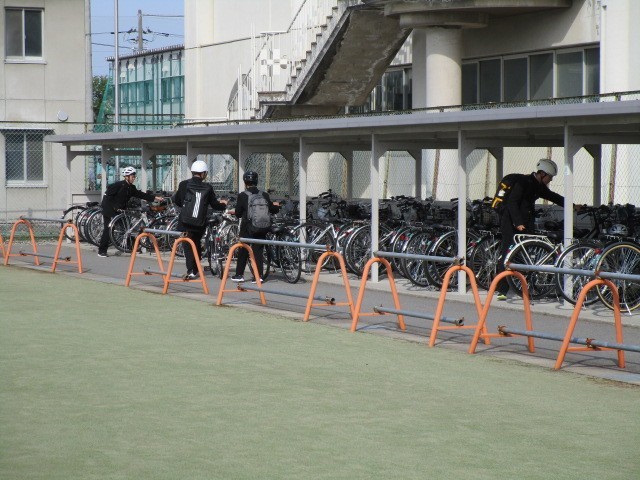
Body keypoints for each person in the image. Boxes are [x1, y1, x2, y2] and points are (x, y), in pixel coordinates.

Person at [494, 158, 568, 300]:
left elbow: (553, 196)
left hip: (525, 223)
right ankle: (502, 289)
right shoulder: (523, 182)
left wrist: (572, 205)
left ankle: (523, 285)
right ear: (542, 174)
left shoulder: (537, 186)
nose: (551, 180)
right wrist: (518, 222)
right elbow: (512, 202)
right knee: (508, 253)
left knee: (524, 255)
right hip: (511, 223)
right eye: (550, 177)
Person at [172, 160, 227, 280]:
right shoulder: (208, 187)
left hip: (185, 221)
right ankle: (196, 267)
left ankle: (191, 270)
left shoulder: (183, 184)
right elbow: (214, 204)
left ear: (193, 172)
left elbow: (178, 201)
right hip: (199, 222)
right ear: (203, 174)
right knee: (196, 243)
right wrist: (223, 204)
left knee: (187, 245)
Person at [98, 166, 163, 257]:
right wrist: (113, 207)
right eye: (132, 176)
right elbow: (107, 197)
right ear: (127, 177)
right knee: (108, 229)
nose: (134, 178)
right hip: (109, 210)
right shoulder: (118, 185)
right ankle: (102, 251)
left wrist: (155, 198)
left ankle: (130, 247)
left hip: (120, 211)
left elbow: (140, 194)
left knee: (127, 228)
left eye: (134, 176)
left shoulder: (131, 187)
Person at [231, 171, 280, 283]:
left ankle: (239, 275)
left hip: (247, 228)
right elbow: (272, 209)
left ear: (245, 182)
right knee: (258, 251)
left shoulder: (242, 195)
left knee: (243, 249)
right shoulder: (264, 195)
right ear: (256, 181)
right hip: (262, 227)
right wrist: (277, 207)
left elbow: (238, 213)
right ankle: (259, 276)